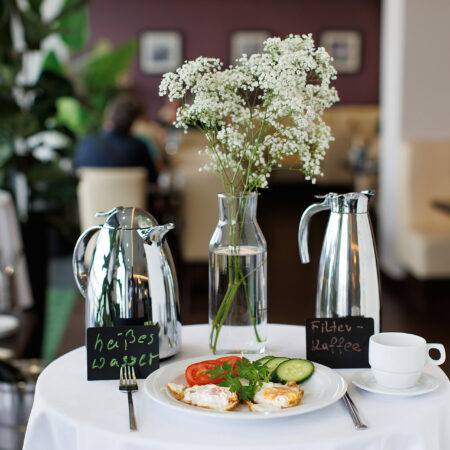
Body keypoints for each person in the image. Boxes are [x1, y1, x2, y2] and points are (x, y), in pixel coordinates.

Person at [73, 93, 158, 182]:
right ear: (134, 121)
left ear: (107, 114)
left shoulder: (86, 143)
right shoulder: (138, 147)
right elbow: (153, 179)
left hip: (93, 196)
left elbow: (75, 171)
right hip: (129, 195)